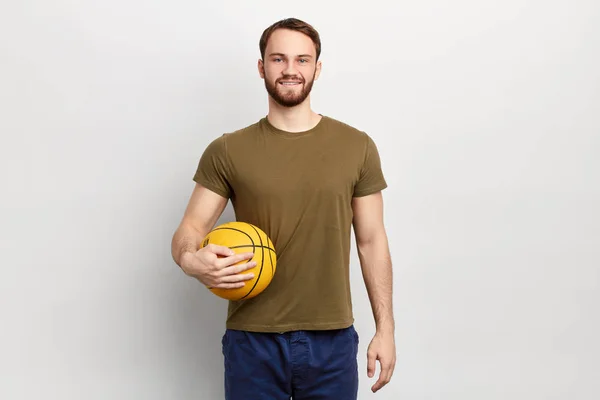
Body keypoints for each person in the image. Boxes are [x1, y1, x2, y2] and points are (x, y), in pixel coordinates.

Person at [171, 17, 396, 399]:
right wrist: (193, 263)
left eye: (302, 60)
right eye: (278, 59)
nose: (290, 69)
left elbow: (371, 242)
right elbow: (189, 230)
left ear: (317, 68)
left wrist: (385, 329)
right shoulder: (227, 150)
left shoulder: (356, 146)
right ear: (261, 67)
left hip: (333, 341)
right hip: (252, 341)